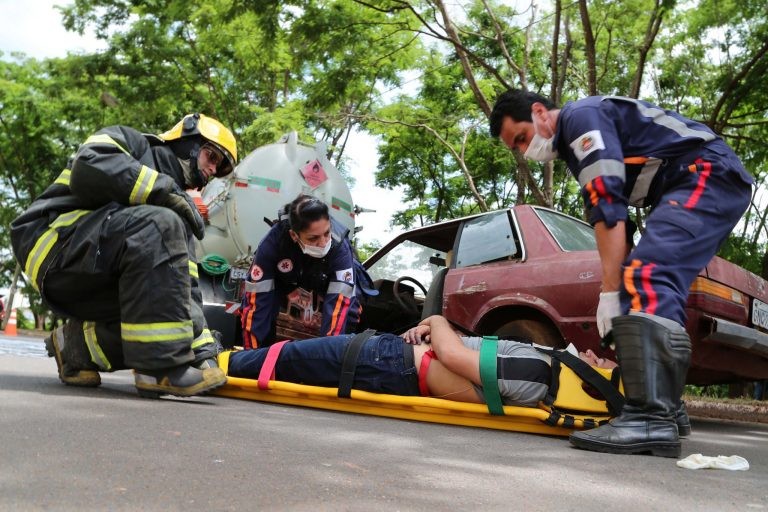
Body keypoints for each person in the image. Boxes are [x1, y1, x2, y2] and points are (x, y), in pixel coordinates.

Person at [490, 90, 753, 457]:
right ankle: (666, 407)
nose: (524, 150)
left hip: (706, 173)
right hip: (699, 180)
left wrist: (611, 293)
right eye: (516, 147)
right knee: (649, 282)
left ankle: (649, 418)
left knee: (648, 275)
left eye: (521, 137)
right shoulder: (576, 147)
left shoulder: (580, 120)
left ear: (538, 112)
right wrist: (614, 292)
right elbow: (615, 227)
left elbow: (608, 205)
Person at [11, 113, 238, 398]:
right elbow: (89, 166)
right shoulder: (133, 143)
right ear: (188, 140)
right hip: (51, 244)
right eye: (211, 157)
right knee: (160, 223)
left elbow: (183, 289)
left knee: (161, 318)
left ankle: (74, 347)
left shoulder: (175, 212)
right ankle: (160, 370)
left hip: (94, 269)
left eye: (218, 168)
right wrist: (163, 190)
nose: (211, 170)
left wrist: (203, 351)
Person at [228, 314, 618, 406]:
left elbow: (452, 356)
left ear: (599, 384)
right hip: (393, 359)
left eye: (608, 365)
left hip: (388, 364)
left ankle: (214, 364)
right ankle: (222, 360)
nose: (598, 354)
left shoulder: (539, 373)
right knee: (287, 359)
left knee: (287, 358)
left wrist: (436, 321)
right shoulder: (546, 368)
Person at [240, 193, 371, 349]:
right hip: (285, 280)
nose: (323, 243)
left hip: (326, 282)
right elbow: (256, 306)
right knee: (262, 319)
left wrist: (326, 355)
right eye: (313, 238)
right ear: (294, 235)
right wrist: (251, 355)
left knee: (349, 314)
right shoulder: (273, 243)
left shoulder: (339, 247)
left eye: (326, 233)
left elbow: (339, 307)